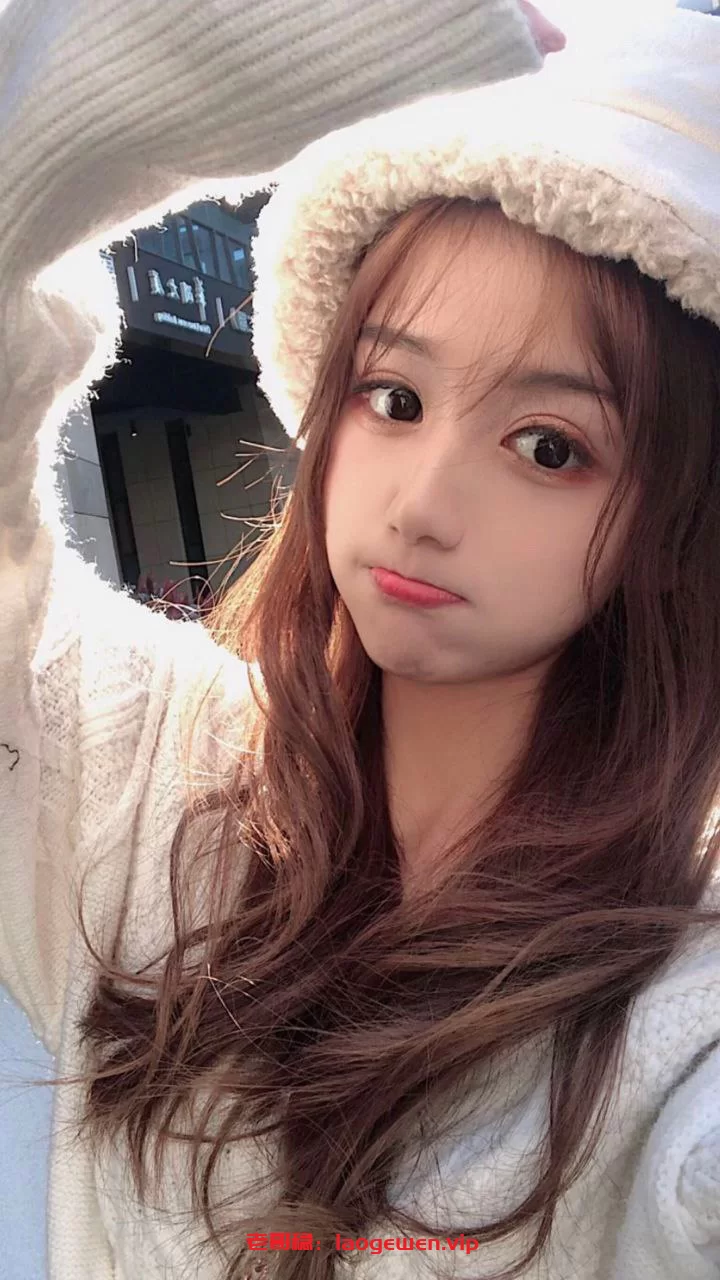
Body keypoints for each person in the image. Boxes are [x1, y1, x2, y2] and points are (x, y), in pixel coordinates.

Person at [1, 4, 719, 1280]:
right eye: (393, 398)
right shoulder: (138, 771)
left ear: (681, 519)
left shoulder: (681, 1025)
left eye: (549, 446)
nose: (422, 503)